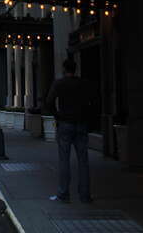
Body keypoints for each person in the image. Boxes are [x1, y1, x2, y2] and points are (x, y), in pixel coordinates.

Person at [45, 58, 97, 203]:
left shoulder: (59, 84)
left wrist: (57, 116)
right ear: (75, 69)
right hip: (81, 123)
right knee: (83, 160)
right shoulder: (83, 84)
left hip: (65, 123)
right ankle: (85, 195)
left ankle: (63, 193)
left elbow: (49, 102)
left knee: (64, 160)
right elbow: (93, 102)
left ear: (64, 69)